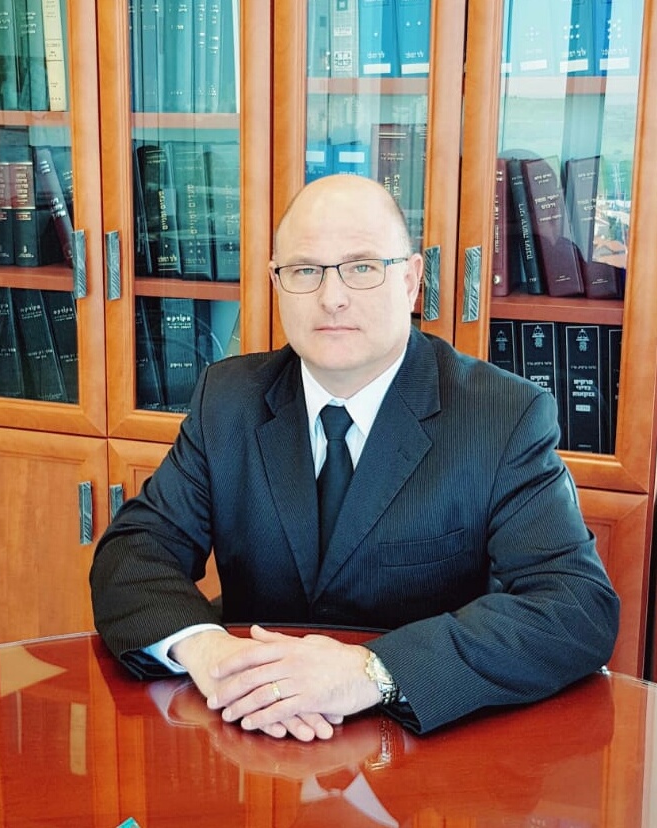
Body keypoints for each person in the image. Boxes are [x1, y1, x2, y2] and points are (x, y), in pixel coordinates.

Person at [90, 173, 619, 742]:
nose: (332, 297)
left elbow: (575, 605)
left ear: (411, 280)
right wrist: (211, 652)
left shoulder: (501, 415)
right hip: (256, 733)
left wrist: (372, 671)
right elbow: (133, 553)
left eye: (362, 267)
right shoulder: (229, 399)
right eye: (305, 270)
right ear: (277, 282)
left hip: (423, 746)